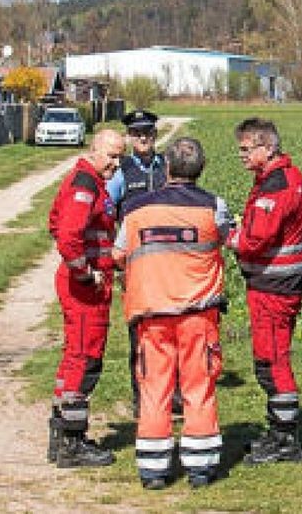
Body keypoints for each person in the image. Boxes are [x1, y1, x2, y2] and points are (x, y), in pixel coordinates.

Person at [112, 137, 233, 489]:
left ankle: (153, 469)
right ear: (201, 169)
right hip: (199, 314)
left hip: (151, 314)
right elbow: (231, 239)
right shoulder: (214, 206)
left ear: (167, 168)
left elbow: (119, 255)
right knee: (199, 386)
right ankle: (201, 467)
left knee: (154, 389)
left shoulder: (136, 211)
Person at [225, 117, 302, 464]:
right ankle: (278, 432)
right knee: (270, 358)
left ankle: (286, 441)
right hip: (275, 285)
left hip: (275, 288)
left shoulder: (277, 185)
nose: (241, 155)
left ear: (268, 147)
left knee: (271, 361)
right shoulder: (276, 178)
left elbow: (256, 240)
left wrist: (229, 237)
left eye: (247, 149)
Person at [46, 129, 126, 468]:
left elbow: (56, 223)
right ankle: (72, 443)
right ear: (93, 150)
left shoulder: (90, 181)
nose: (114, 163)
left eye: (119, 157)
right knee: (84, 360)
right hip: (85, 289)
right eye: (109, 155)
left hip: (89, 283)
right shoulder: (85, 184)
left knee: (74, 359)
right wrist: (85, 272)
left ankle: (61, 431)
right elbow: (67, 235)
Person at [105, 108, 178, 418]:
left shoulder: (168, 167)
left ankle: (172, 393)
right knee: (139, 332)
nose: (143, 138)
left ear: (155, 135)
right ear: (129, 137)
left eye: (148, 132)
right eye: (137, 133)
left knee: (171, 327)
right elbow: (108, 209)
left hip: (168, 262)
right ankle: (141, 395)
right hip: (135, 264)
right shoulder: (121, 171)